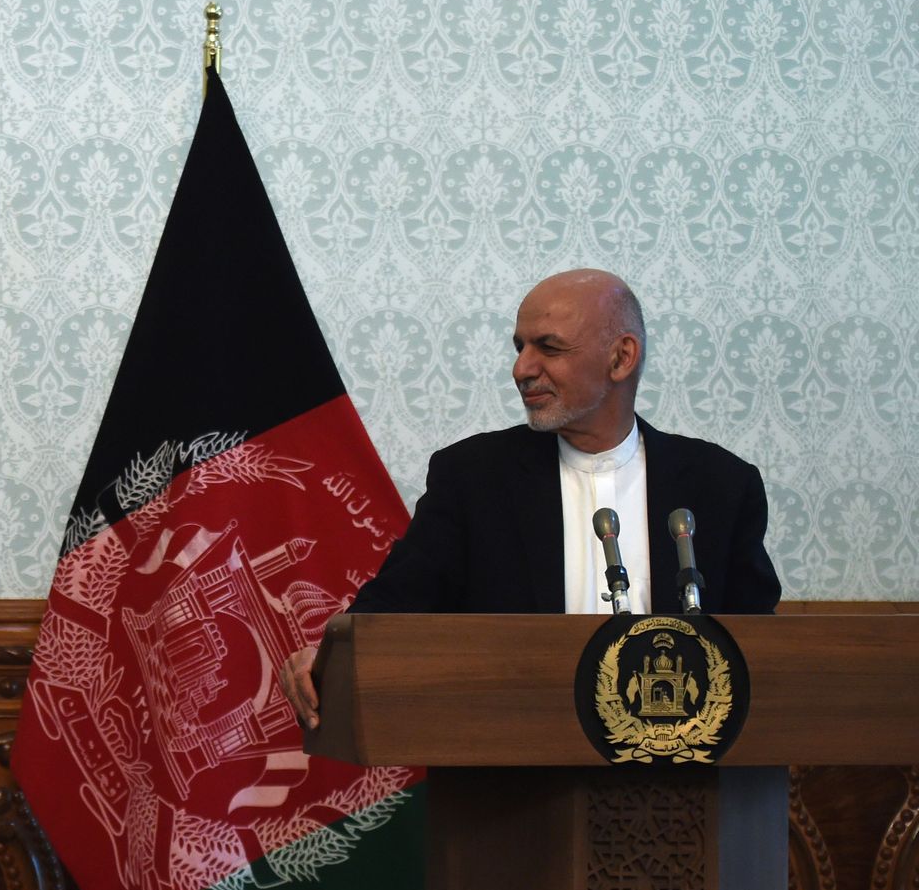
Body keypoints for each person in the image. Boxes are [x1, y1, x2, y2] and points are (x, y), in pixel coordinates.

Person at [280, 269, 779, 727]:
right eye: (519, 346)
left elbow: (763, 650)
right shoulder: (473, 478)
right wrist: (328, 652)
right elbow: (392, 610)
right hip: (514, 765)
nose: (522, 368)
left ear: (621, 357)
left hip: (684, 777)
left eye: (549, 348)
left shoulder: (720, 485)